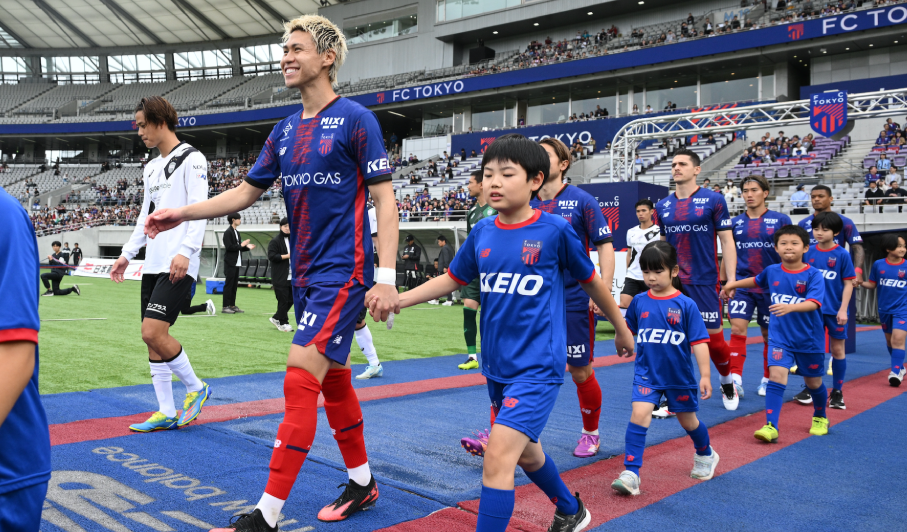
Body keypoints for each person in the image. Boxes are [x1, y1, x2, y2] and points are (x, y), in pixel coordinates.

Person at [144, 15, 399, 529]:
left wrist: (387, 277)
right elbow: (245, 193)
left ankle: (268, 515)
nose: (286, 57)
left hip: (343, 274)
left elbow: (385, 199)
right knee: (335, 381)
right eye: (284, 49)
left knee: (300, 377)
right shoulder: (284, 130)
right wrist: (181, 213)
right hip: (305, 277)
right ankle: (363, 482)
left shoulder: (356, 119)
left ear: (327, 57)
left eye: (296, 48)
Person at [393, 133, 634, 532]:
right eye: (488, 174)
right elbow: (452, 279)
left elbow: (591, 281)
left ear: (535, 180)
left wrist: (621, 329)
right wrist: (399, 300)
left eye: (507, 174)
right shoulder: (483, 231)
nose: (495, 182)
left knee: (498, 457)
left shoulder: (555, 230)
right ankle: (570, 509)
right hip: (496, 366)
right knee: (527, 454)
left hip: (538, 368)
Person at [111, 96, 210, 434]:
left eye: (143, 125)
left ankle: (196, 387)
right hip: (153, 263)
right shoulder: (151, 167)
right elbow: (146, 215)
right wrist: (127, 254)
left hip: (178, 261)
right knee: (153, 339)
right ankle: (166, 410)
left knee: (152, 331)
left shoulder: (193, 159)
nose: (139, 132)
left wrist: (186, 251)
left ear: (160, 121)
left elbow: (200, 208)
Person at [529, 137, 615, 458]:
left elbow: (604, 245)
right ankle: (508, 431)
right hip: (534, 299)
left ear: (563, 164)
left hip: (574, 298)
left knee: (580, 370)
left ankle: (591, 434)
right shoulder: (526, 200)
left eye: (545, 155)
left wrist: (603, 288)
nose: (538, 159)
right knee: (525, 368)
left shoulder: (582, 200)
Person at [611, 241, 718, 496]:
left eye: (658, 271)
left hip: (679, 377)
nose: (651, 277)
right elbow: (627, 330)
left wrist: (705, 375)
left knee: (688, 421)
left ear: (674, 271)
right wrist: (621, 339)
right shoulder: (638, 301)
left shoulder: (686, 305)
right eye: (646, 271)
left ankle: (706, 453)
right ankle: (631, 473)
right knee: (639, 414)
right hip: (646, 374)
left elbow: (700, 342)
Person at [725, 225, 830, 442]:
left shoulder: (814, 275)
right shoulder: (772, 270)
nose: (788, 247)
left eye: (794, 243)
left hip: (809, 340)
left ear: (805, 248)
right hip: (780, 337)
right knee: (776, 376)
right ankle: (771, 425)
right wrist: (731, 284)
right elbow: (756, 281)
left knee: (813, 383)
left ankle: (820, 416)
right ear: (776, 248)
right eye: (783, 243)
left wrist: (790, 307)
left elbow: (814, 303)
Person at [655, 148, 739, 410]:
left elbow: (727, 241)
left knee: (714, 341)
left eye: (682, 164)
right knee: (673, 340)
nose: (676, 168)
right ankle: (675, 394)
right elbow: (663, 245)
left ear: (697, 169)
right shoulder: (662, 205)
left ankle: (726, 380)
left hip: (704, 281)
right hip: (674, 283)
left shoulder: (714, 200)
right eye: (673, 164)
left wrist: (731, 279)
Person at [725, 175, 791, 399]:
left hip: (772, 287)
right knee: (736, 329)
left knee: (768, 335)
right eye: (745, 191)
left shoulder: (780, 220)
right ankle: (735, 380)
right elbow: (729, 254)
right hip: (742, 285)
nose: (749, 195)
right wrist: (727, 282)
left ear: (765, 193)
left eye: (754, 190)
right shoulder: (735, 223)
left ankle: (767, 379)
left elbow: (789, 252)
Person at [796, 212, 855, 409]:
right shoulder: (808, 252)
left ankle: (837, 392)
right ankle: (810, 388)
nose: (819, 232)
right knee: (812, 349)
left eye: (825, 229)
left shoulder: (842, 254)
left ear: (836, 232)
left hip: (834, 311)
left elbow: (848, 283)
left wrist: (843, 309)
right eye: (816, 229)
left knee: (837, 350)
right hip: (812, 311)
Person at [458, 170, 497, 371]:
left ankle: (493, 354)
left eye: (471, 182)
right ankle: (472, 356)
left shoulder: (496, 209)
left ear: (481, 184)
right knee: (468, 309)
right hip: (474, 269)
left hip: (492, 269)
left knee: (491, 315)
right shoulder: (472, 212)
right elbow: (470, 242)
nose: (468, 186)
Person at [859, 233, 907, 386]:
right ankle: (900, 367)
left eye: (904, 246)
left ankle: (895, 371)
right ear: (888, 248)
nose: (903, 249)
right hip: (884, 309)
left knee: (897, 339)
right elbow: (872, 284)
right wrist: (860, 282)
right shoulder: (878, 265)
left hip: (903, 309)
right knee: (889, 340)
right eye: (899, 246)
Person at [798, 185, 865, 286]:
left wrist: (858, 271)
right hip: (810, 273)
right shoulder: (803, 223)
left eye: (821, 196)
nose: (816, 199)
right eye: (813, 197)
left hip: (835, 272)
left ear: (831, 199)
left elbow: (857, 247)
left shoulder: (845, 222)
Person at [355, 205, 384, 380]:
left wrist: (386, 278)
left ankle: (374, 363)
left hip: (360, 274)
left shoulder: (371, 212)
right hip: (348, 271)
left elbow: (378, 242)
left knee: (355, 320)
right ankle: (374, 363)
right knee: (352, 321)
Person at [621, 199, 660, 313]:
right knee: (624, 303)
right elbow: (629, 253)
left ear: (652, 212)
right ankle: (628, 325)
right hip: (633, 275)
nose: (640, 214)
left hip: (651, 275)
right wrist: (628, 271)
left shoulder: (659, 232)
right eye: (638, 211)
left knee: (654, 305)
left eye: (644, 210)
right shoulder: (631, 232)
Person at [222, 212, 255, 314]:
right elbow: (229, 247)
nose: (240, 220)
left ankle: (232, 305)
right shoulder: (228, 232)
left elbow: (238, 248)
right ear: (233, 220)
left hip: (237, 262)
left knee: (234, 285)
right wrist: (242, 245)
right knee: (229, 285)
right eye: (239, 219)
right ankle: (225, 306)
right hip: (230, 262)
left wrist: (247, 247)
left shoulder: (237, 232)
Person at [268, 218, 294, 332]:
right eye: (285, 226)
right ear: (280, 227)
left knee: (291, 299)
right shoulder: (275, 241)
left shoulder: (294, 239)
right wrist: (287, 256)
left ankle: (276, 317)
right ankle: (283, 323)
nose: (287, 228)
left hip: (293, 275)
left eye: (289, 226)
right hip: (280, 276)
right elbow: (272, 256)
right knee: (283, 300)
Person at [429, 235, 455, 305]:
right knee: (445, 285)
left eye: (439, 242)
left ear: (443, 241)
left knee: (440, 284)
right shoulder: (448, 248)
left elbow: (446, 258)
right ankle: (447, 300)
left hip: (444, 270)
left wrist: (445, 267)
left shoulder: (445, 248)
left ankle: (438, 300)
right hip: (445, 269)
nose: (438, 243)